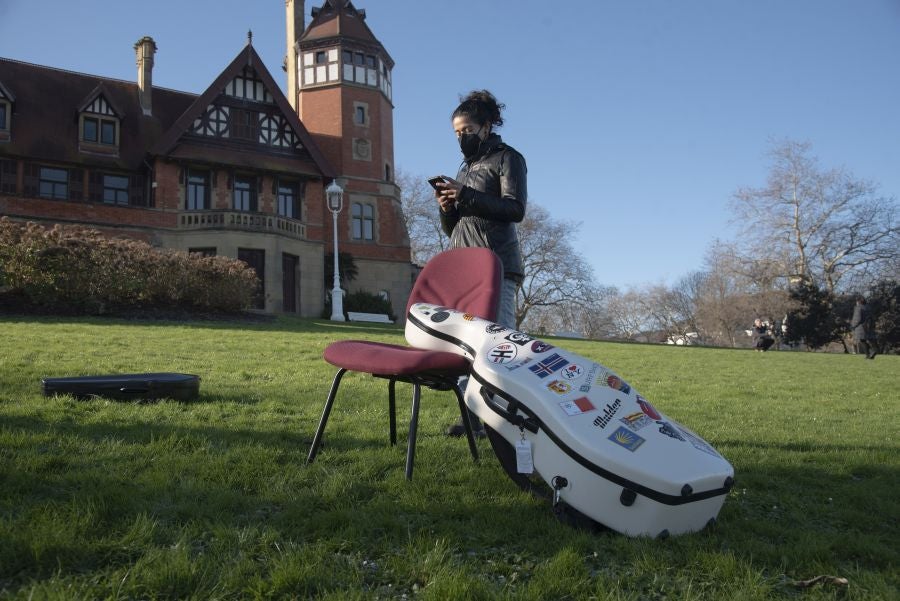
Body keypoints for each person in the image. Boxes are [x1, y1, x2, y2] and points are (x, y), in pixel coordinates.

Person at [431, 89, 527, 436]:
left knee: (500, 348)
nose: (462, 137)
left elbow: (515, 209)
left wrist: (467, 195)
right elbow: (454, 228)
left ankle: (503, 421)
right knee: (468, 347)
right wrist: (448, 208)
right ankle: (473, 418)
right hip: (465, 266)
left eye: (468, 130)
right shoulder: (466, 167)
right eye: (457, 133)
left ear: (486, 127)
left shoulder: (508, 158)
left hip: (498, 265)